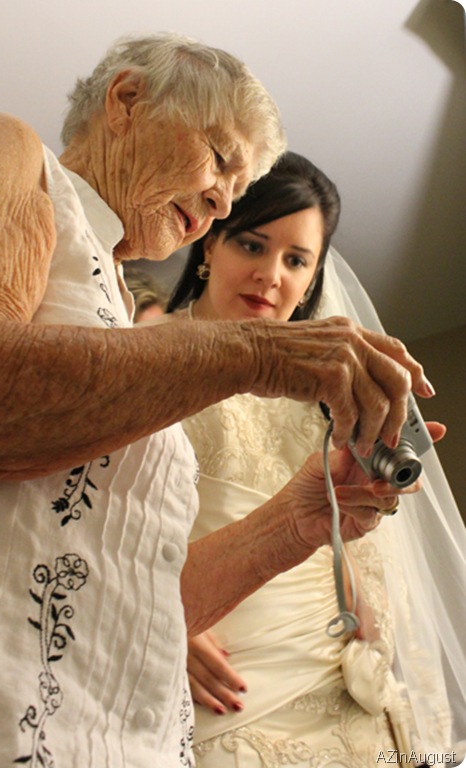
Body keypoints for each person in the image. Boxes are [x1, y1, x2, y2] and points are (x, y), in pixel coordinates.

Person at [0, 32, 439, 768]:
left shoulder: (120, 309)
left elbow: (138, 608)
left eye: (237, 189)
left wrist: (298, 520)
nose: (221, 200)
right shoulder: (9, 150)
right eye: (218, 158)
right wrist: (257, 352)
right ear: (126, 101)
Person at [167, 152, 466, 766]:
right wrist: (155, 619)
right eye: (252, 245)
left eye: (296, 260)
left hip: (341, 675)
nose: (270, 275)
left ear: (312, 280)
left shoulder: (324, 401)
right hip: (230, 678)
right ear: (210, 245)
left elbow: (348, 555)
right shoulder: (143, 357)